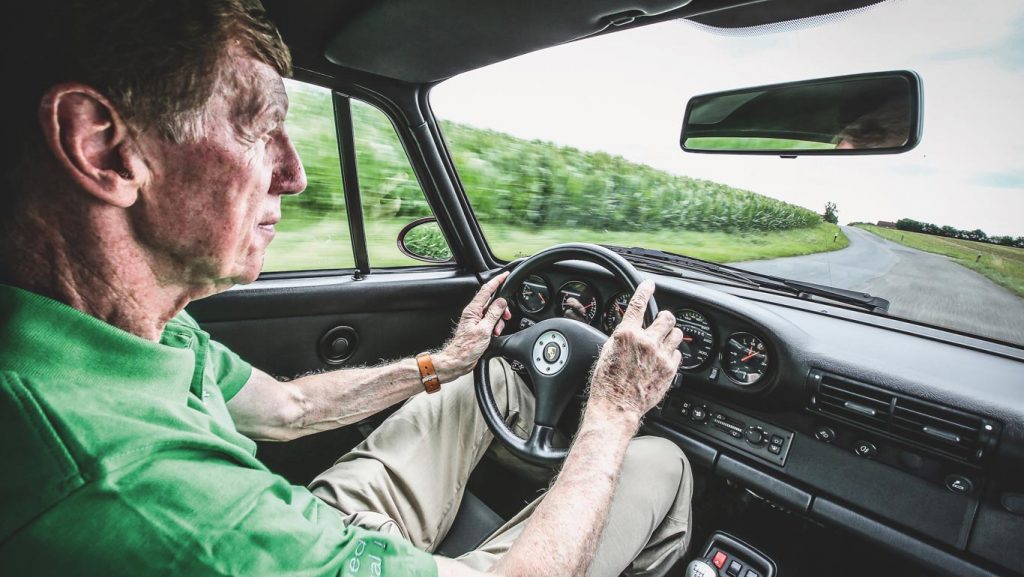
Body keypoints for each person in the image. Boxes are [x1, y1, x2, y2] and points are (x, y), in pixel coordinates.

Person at [0, 2, 693, 576]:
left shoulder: (130, 326)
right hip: (293, 546)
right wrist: (613, 410)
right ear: (103, 147)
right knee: (658, 462)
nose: (294, 174)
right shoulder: (134, 490)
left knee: (485, 385)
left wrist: (444, 362)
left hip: (315, 526)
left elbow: (290, 409)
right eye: (262, 128)